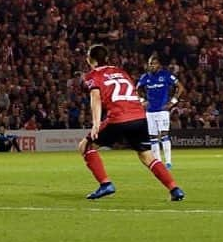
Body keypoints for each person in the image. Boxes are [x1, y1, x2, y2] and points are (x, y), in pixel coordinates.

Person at [79, 44, 185, 202]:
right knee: (146, 155)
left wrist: (95, 123)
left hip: (119, 117)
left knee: (85, 146)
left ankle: (105, 184)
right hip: (139, 117)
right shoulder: (121, 72)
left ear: (90, 59)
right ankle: (174, 189)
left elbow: (95, 97)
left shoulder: (93, 75)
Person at [136, 54, 182, 168]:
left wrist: (172, 102)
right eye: (150, 63)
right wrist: (142, 100)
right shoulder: (145, 77)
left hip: (162, 110)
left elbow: (180, 87)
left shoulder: (166, 75)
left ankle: (168, 162)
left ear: (159, 65)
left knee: (164, 135)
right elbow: (136, 90)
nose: (152, 66)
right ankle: (158, 162)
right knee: (153, 137)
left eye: (154, 63)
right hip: (150, 111)